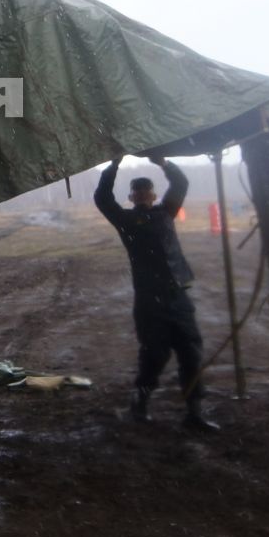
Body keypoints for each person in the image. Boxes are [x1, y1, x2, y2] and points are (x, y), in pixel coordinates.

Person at [94, 153, 219, 431]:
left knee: (191, 353)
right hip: (150, 301)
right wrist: (113, 166)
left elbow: (181, 183)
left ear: (153, 194)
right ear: (131, 197)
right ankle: (138, 406)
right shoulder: (125, 221)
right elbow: (103, 199)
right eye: (136, 191)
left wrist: (162, 162)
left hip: (178, 295)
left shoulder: (167, 212)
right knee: (154, 355)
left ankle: (194, 413)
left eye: (145, 190)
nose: (141, 195)